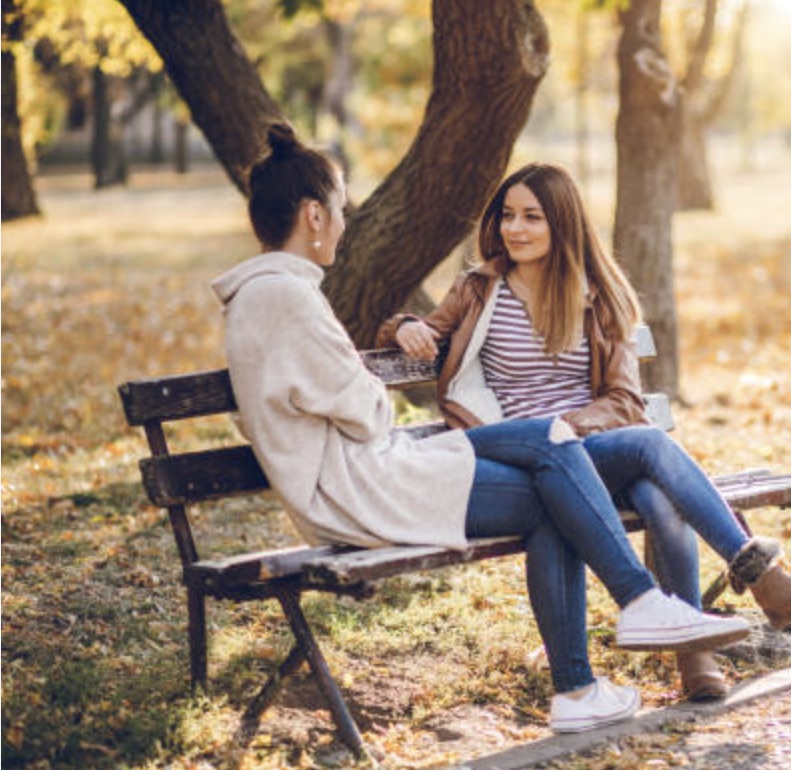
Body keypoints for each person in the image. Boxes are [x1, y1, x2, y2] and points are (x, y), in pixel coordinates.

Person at [211, 125, 752, 734]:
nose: (343, 223)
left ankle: (602, 660)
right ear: (313, 214)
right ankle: (620, 628)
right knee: (556, 480)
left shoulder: (270, 295)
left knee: (551, 447)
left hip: (367, 474)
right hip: (365, 486)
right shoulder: (287, 299)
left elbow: (337, 397)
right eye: (339, 210)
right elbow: (368, 412)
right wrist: (377, 371)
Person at [378, 162, 791, 702]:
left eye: (531, 218)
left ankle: (698, 645)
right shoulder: (478, 289)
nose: (513, 230)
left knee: (658, 492)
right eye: (507, 216)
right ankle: (751, 586)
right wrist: (404, 327)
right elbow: (414, 328)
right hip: (523, 456)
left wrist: (571, 426)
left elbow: (624, 401)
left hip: (590, 446)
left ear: (562, 224)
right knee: (652, 456)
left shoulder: (599, 296)